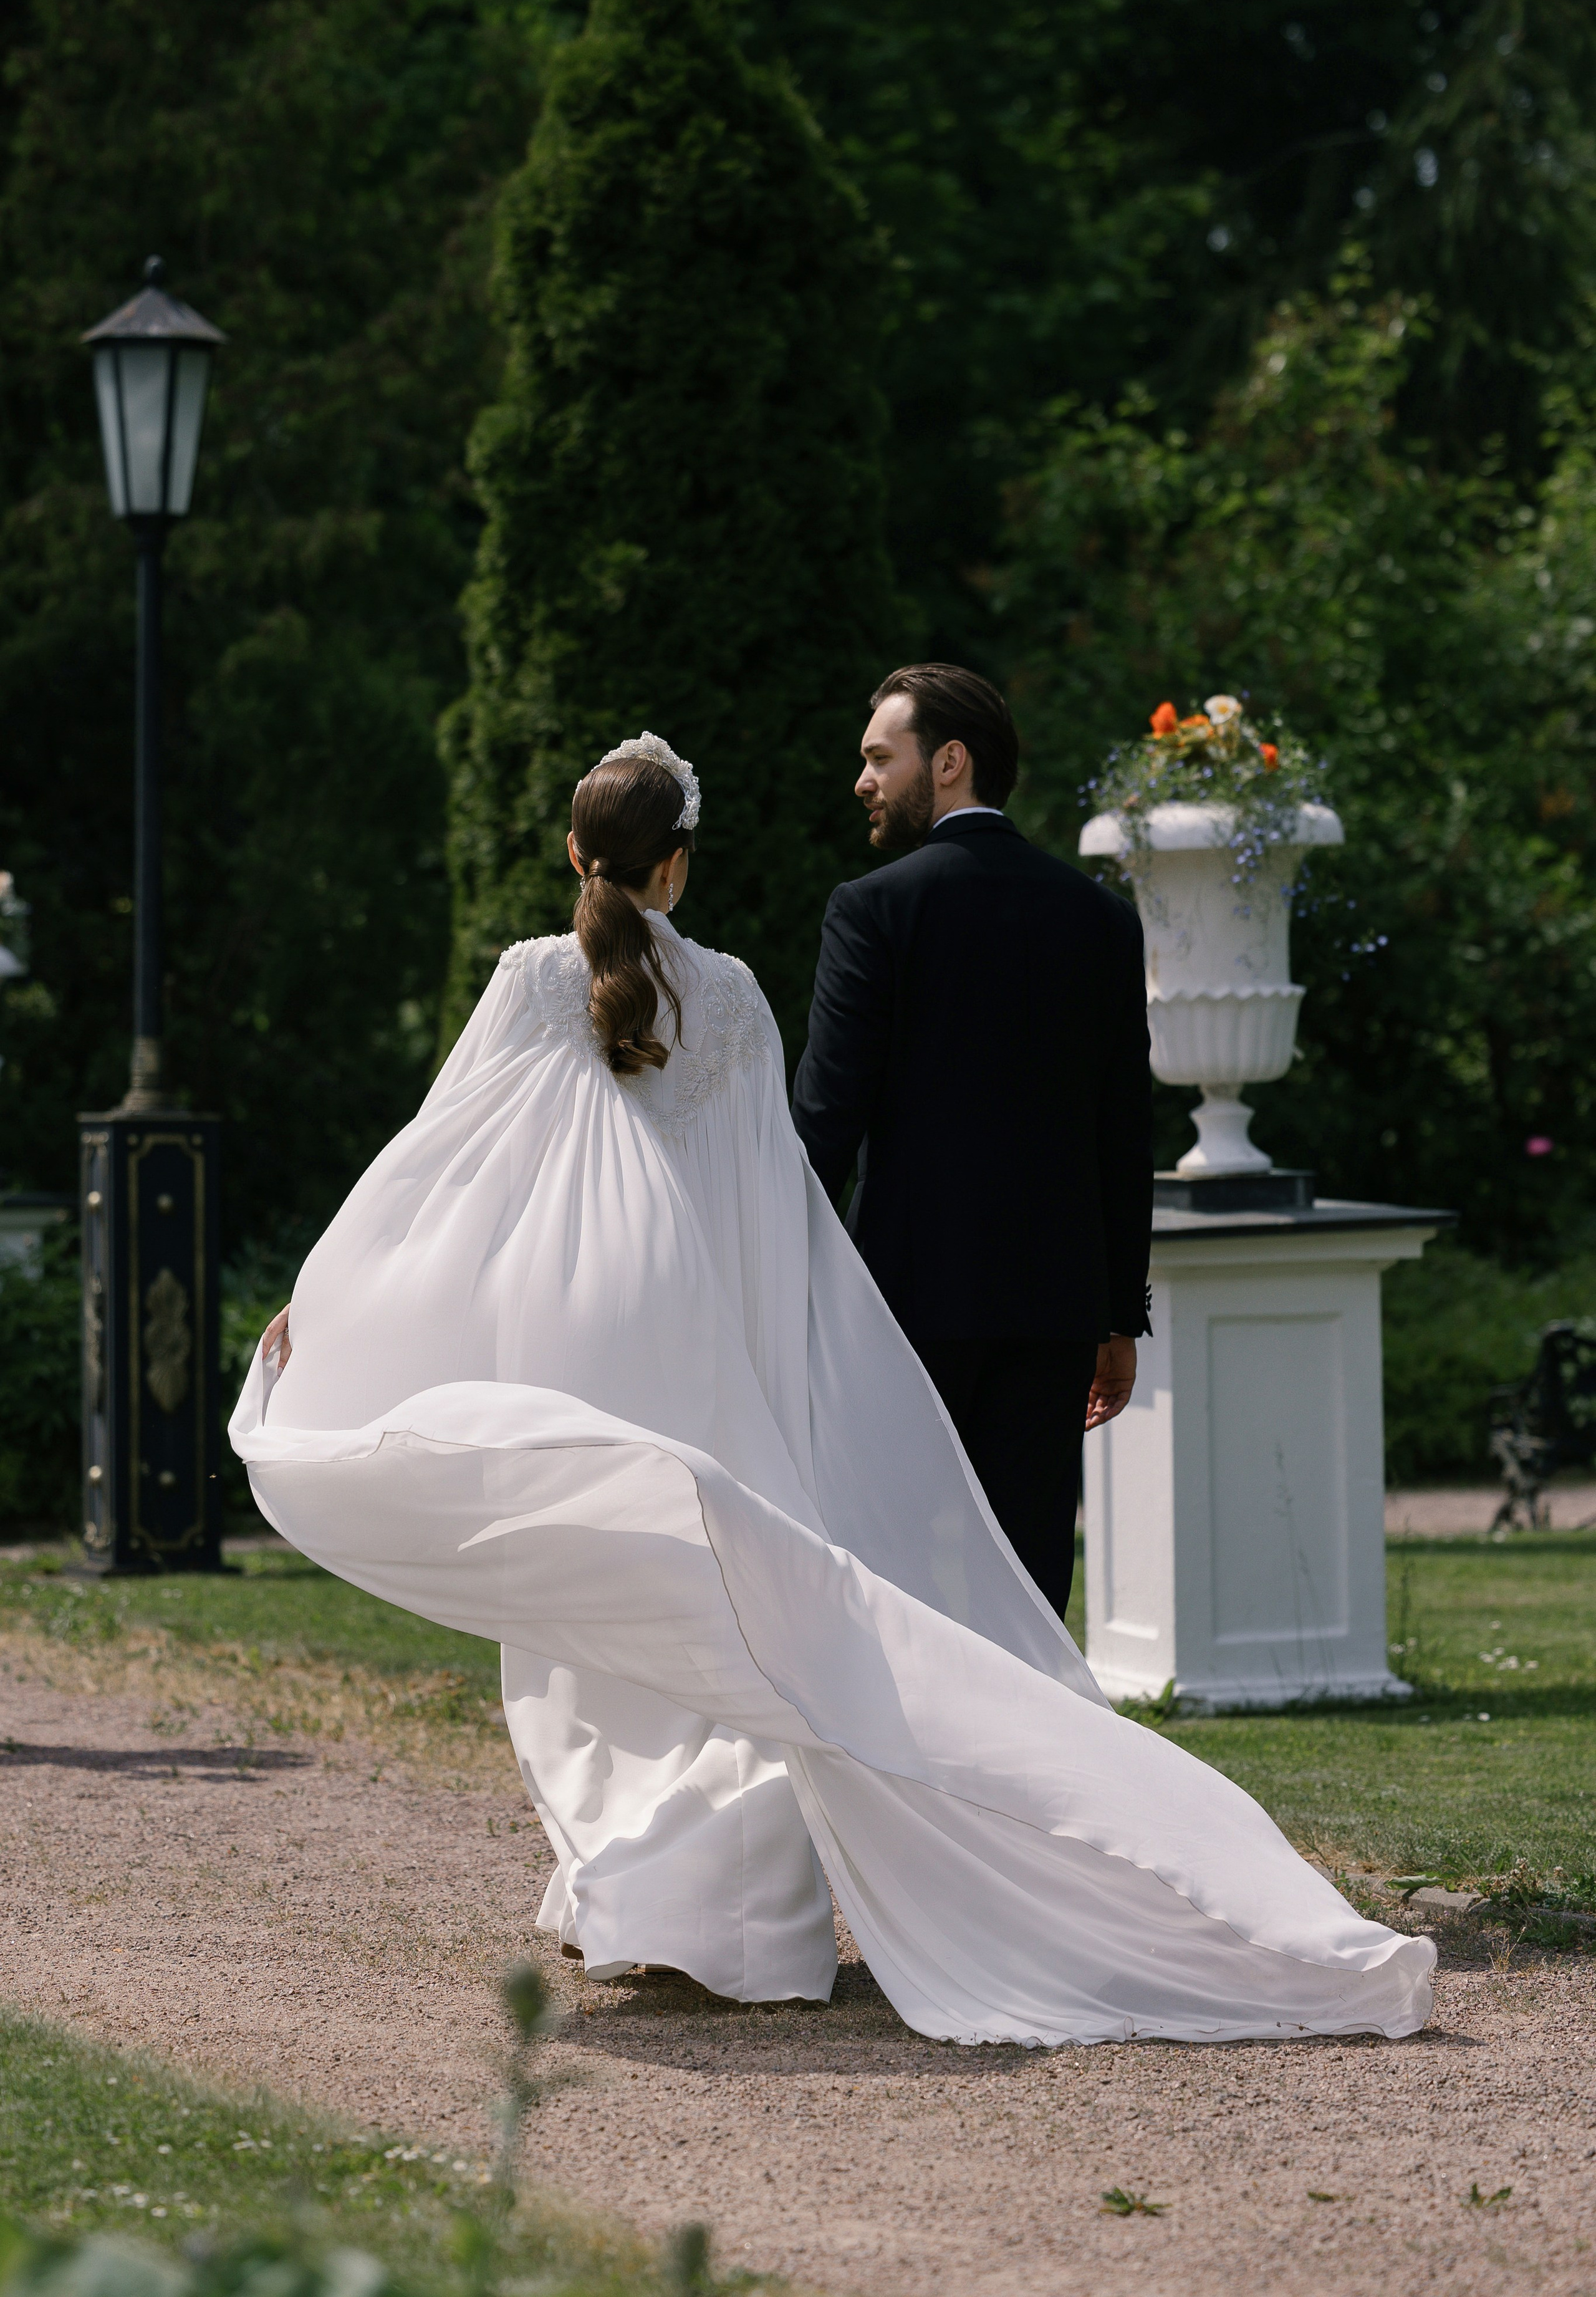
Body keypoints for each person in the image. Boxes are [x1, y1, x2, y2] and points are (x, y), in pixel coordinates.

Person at [233, 730, 1434, 2046]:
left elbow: (440, 1152)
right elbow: (777, 1199)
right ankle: (731, 1921)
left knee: (587, 1610)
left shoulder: (531, 976)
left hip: (572, 1330)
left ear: (576, 853)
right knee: (725, 1596)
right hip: (691, 1330)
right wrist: (800, 1346)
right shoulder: (736, 995)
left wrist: (329, 1293)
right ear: (676, 867)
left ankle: (632, 1892)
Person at [792, 664, 1151, 1620]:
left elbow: (827, 1119)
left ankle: (910, 1769)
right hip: (1056, 1307)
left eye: (879, 756)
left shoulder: (871, 909)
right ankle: (1030, 1766)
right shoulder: (1103, 919)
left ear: (948, 762)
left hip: (906, 1304)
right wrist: (1119, 1317)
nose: (862, 780)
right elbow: (1125, 1128)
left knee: (893, 1570)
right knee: (1030, 1583)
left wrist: (778, 1279)